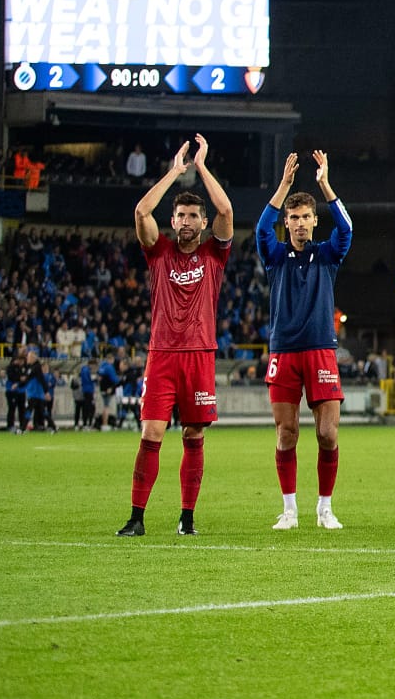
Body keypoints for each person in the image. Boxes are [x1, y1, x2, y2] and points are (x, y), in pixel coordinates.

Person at [118, 136, 235, 537]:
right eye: (180, 216)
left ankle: (187, 517)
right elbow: (140, 210)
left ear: (203, 224)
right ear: (173, 221)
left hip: (200, 354)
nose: (185, 221)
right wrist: (175, 171)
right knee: (150, 432)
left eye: (192, 216)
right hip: (162, 354)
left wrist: (201, 167)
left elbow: (226, 209)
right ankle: (136, 517)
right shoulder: (159, 251)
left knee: (193, 434)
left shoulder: (214, 255)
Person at [258, 150, 353, 531]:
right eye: (293, 218)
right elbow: (262, 229)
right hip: (284, 350)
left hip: (320, 351)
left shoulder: (327, 255)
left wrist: (325, 186)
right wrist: (283, 186)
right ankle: (290, 509)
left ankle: (325, 508)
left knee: (327, 434)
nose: (299, 224)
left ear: (315, 221)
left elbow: (346, 228)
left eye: (305, 218)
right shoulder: (275, 255)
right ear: (288, 222)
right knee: (286, 433)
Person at [74, 357, 98, 431]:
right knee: (88, 408)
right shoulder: (85, 370)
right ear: (91, 364)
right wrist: (95, 380)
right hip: (87, 391)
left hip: (88, 391)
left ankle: (87, 424)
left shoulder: (86, 370)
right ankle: (86, 424)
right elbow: (87, 381)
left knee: (89, 408)